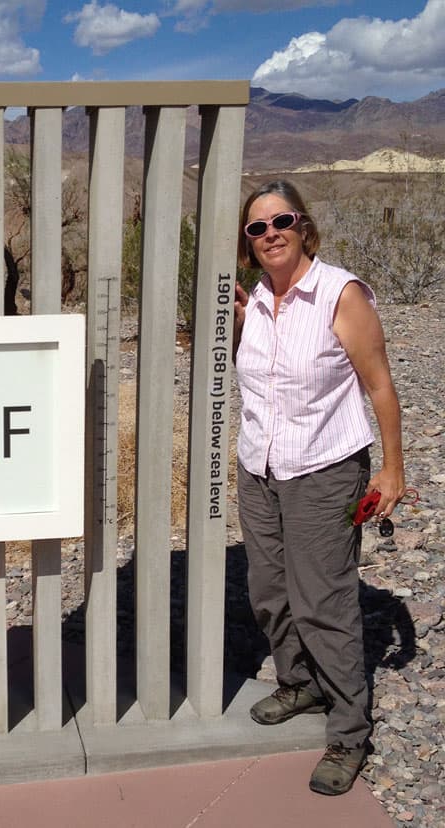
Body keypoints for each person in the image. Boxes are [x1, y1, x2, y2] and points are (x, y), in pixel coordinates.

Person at [232, 180, 406, 796]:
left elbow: (379, 385)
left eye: (282, 220)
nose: (270, 233)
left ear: (303, 226)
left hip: (326, 471)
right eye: (257, 227)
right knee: (269, 591)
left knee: (322, 601)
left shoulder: (341, 292)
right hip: (260, 468)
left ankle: (348, 732)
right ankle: (299, 682)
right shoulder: (252, 302)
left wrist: (392, 469)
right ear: (248, 243)